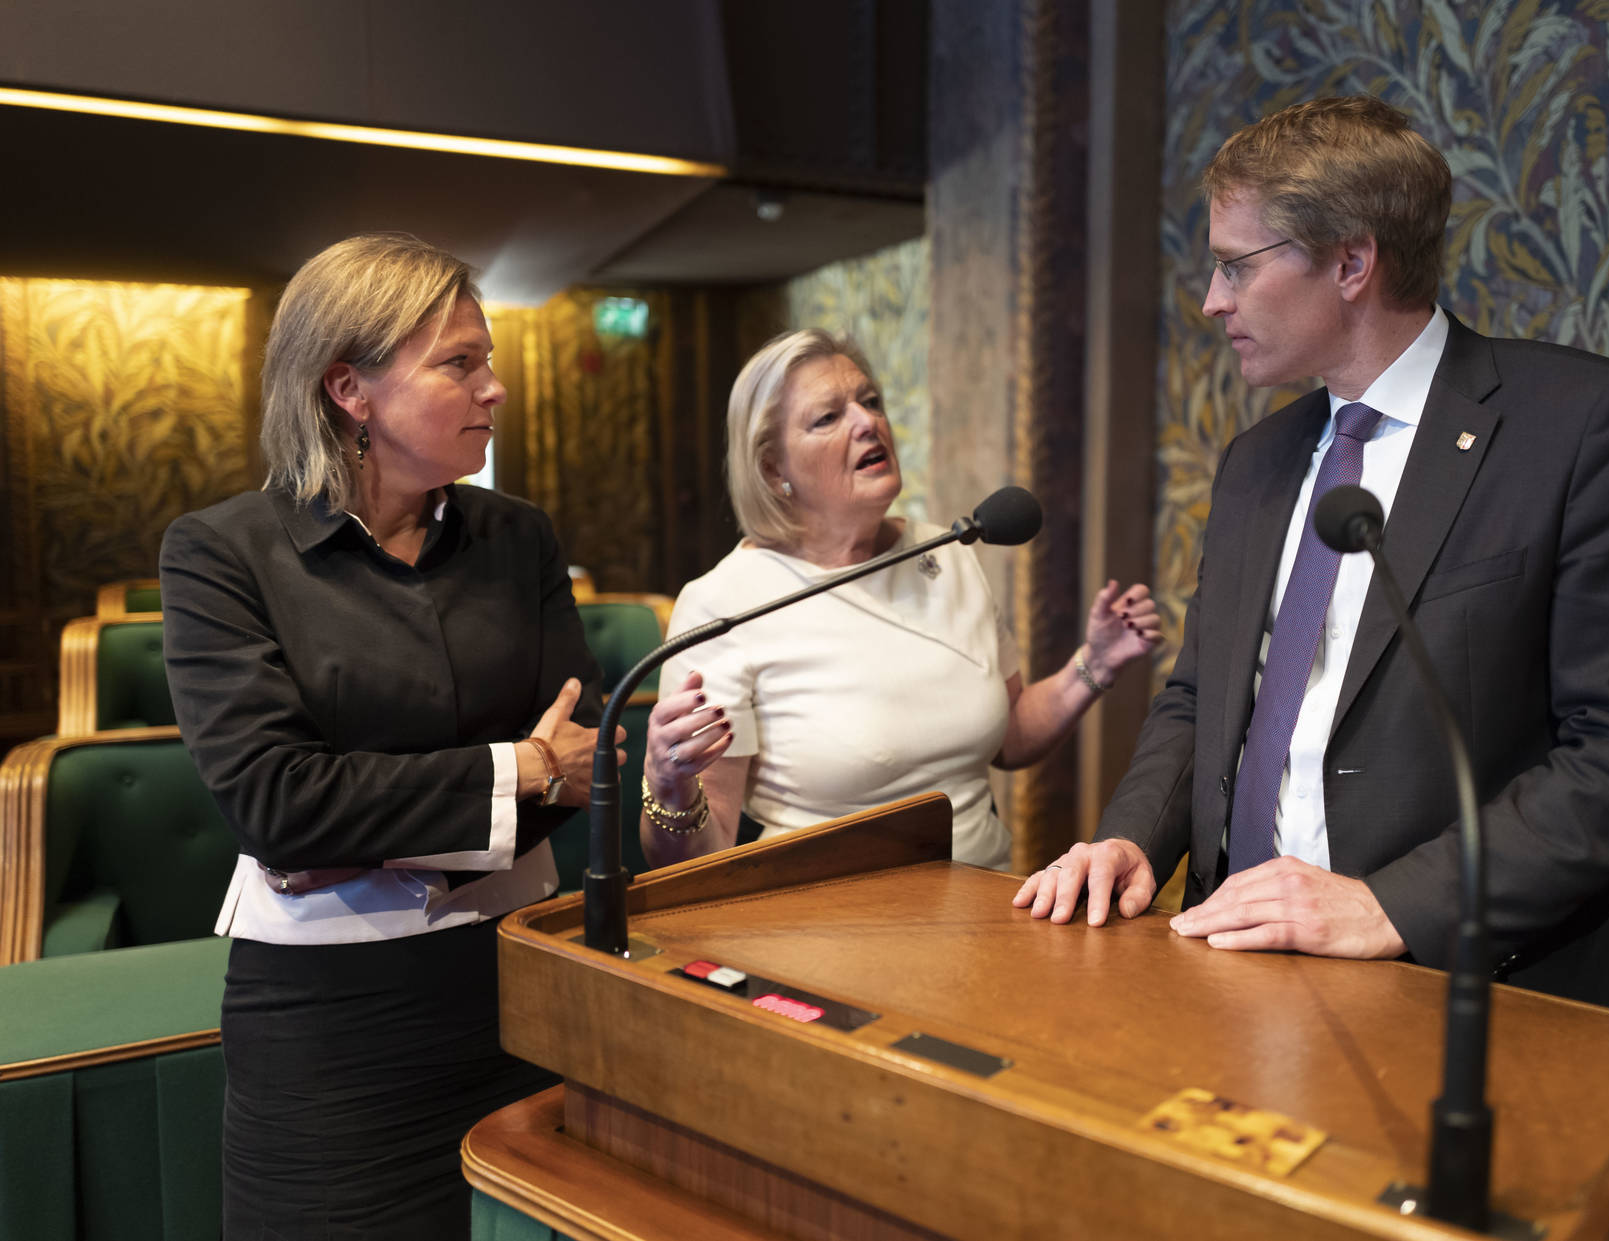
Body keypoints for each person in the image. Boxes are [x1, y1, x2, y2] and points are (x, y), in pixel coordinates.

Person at [1013, 96, 1609, 1013]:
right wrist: (1132, 838)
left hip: (1464, 990)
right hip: (1234, 972)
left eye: (1236, 266)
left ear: (1350, 262)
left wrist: (1392, 906)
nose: (1212, 299)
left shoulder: (1579, 427)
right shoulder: (1256, 461)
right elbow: (1202, 699)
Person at [161, 232, 620, 1237]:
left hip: (520, 978)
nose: (495, 387)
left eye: (487, 360)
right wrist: (524, 767)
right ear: (349, 389)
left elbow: (585, 758)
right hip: (328, 1024)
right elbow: (277, 806)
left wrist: (356, 834)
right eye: (460, 363)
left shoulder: (520, 536)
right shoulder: (220, 553)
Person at [638, 329, 1161, 869]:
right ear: (774, 470)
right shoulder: (722, 604)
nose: (867, 422)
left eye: (870, 401)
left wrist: (1094, 663)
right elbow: (702, 853)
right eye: (828, 417)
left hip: (986, 898)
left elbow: (1009, 735)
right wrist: (669, 787)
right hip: (823, 910)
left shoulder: (950, 552)